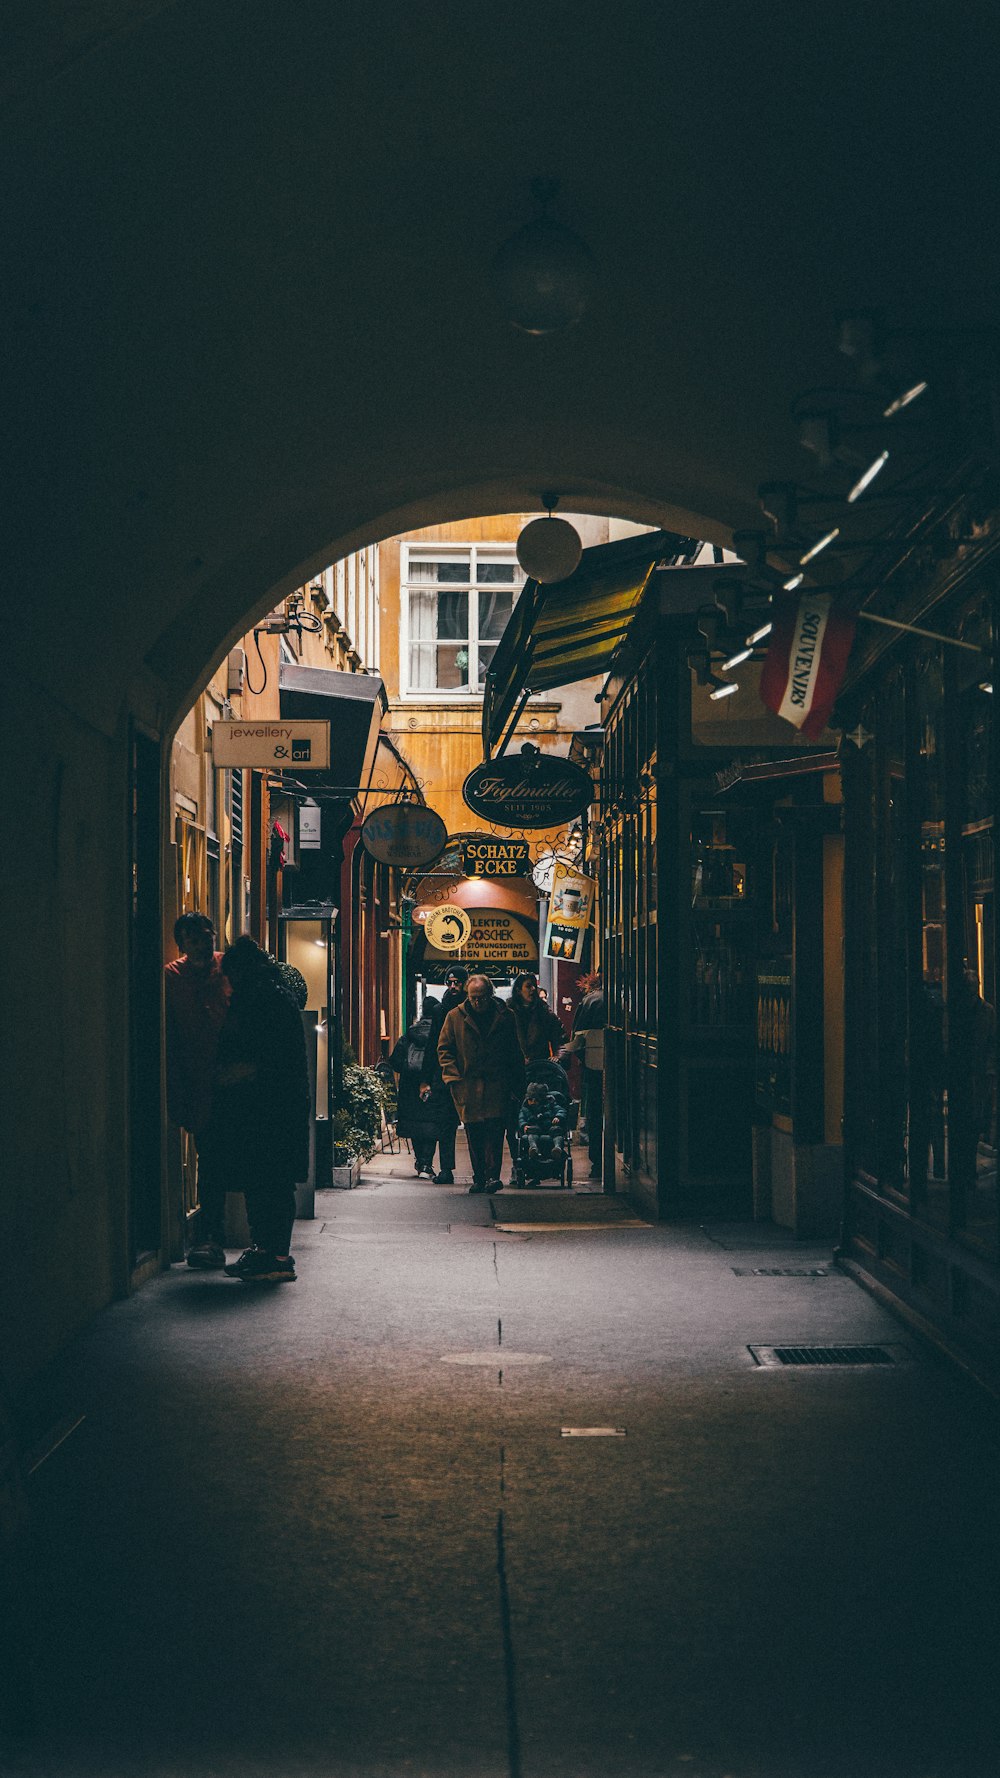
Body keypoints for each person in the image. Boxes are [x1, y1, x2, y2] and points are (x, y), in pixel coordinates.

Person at [197, 936, 310, 1283]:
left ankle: (272, 1254)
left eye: (229, 976)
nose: (227, 985)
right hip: (280, 1106)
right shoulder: (277, 993)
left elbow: (261, 1056)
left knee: (264, 1181)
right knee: (271, 1181)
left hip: (262, 1108)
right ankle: (270, 1252)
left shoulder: (258, 998)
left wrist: (231, 1075)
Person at [164, 911, 231, 1268]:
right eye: (194, 939)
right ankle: (211, 1236)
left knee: (221, 1159)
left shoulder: (228, 968)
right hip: (198, 1084)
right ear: (182, 944)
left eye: (207, 935)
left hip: (234, 1080)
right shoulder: (172, 978)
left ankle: (223, 1234)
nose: (204, 942)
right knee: (212, 1158)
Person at [438, 974, 525, 1194]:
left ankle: (492, 1177)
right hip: (468, 1086)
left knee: (495, 1132)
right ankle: (479, 1177)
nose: (478, 1002)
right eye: (473, 998)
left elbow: (514, 1051)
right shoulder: (455, 1017)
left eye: (482, 998)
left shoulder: (506, 1016)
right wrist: (453, 1077)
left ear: (490, 995)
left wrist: (517, 1084)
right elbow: (444, 1049)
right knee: (474, 1133)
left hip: (497, 1085)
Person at [419, 965, 469, 1182]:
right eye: (449, 982)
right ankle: (446, 1169)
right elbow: (432, 1047)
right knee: (446, 1124)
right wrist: (425, 1079)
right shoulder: (441, 1010)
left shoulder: (472, 1007)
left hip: (468, 1073)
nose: (452, 986)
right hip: (444, 1074)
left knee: (476, 1123)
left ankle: (482, 1172)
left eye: (457, 982)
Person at [390, 1001, 441, 1178]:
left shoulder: (409, 1035)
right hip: (432, 1085)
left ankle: (420, 1161)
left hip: (409, 1087)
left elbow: (395, 1062)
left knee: (415, 1125)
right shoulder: (439, 1034)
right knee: (431, 1125)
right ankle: (427, 1163)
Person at [563, 972, 605, 1181]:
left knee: (596, 1113)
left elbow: (577, 1036)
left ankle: (598, 1162)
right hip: (624, 1068)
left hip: (595, 1066)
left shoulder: (592, 1000)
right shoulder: (634, 996)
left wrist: (585, 1060)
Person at [517, 1077, 569, 1163]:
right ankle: (533, 1148)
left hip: (549, 1128)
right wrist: (524, 1125)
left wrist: (558, 1117)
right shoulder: (525, 1108)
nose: (533, 1102)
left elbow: (561, 1110)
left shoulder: (550, 1104)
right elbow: (521, 1118)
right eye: (530, 1099)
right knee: (531, 1132)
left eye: (536, 1100)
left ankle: (557, 1148)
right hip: (534, 1128)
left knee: (557, 1132)